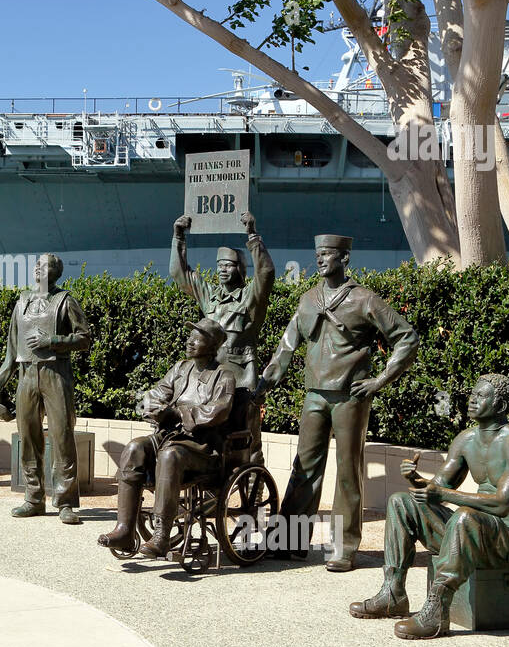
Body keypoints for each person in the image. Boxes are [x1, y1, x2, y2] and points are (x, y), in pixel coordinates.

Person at [255, 233, 419, 572]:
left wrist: (380, 381)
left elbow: (406, 337)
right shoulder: (307, 300)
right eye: (318, 253)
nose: (320, 259)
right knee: (304, 469)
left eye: (327, 254)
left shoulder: (364, 300)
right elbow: (285, 348)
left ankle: (344, 547)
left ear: (344, 259)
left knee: (348, 472)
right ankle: (289, 542)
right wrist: (262, 386)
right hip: (315, 395)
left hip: (349, 398)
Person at [350, 374, 509, 640]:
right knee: (401, 502)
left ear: (501, 406)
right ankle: (393, 593)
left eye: (481, 396)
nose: (472, 400)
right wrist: (416, 480)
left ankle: (437, 609)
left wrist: (440, 492)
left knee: (465, 518)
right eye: (473, 393)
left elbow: (502, 504)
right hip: (471, 531)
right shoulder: (466, 440)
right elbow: (436, 489)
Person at [99, 318, 235, 557]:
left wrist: (177, 413)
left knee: (170, 455)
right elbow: (157, 393)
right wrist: (154, 408)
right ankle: (124, 530)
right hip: (168, 436)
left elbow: (219, 411)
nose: (190, 341)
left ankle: (161, 535)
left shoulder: (223, 376)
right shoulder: (181, 369)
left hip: (202, 447)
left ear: (212, 344)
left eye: (197, 337)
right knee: (134, 449)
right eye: (190, 335)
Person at [0, 253, 93, 525]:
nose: (38, 267)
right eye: (36, 264)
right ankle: (33, 498)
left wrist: (53, 340)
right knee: (28, 438)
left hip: (55, 374)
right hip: (26, 375)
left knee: (62, 438)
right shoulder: (22, 301)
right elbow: (11, 349)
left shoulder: (65, 300)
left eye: (44, 264)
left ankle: (65, 502)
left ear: (55, 272)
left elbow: (85, 338)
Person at [170, 210, 274, 391]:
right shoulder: (209, 295)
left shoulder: (250, 297)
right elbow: (180, 274)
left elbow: (265, 273)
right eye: (219, 265)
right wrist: (178, 237)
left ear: (240, 268)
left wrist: (252, 234)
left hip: (239, 379)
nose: (222, 270)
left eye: (228, 265)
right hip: (210, 376)